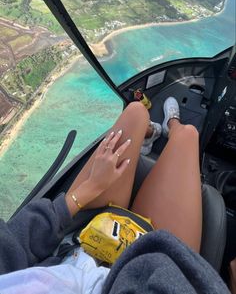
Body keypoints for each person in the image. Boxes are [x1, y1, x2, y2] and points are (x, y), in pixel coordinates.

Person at [0, 98, 230, 293]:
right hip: (154, 262)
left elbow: (14, 241)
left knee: (136, 112)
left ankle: (149, 134)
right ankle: (174, 126)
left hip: (79, 243)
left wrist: (91, 187)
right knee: (188, 135)